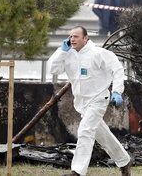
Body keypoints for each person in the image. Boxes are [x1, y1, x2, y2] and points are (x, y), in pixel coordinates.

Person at [49, 26, 131, 176]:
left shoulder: (99, 54)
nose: (72, 39)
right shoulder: (67, 55)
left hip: (98, 100)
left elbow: (117, 69)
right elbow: (53, 69)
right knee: (103, 135)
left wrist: (117, 91)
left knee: (85, 131)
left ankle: (77, 172)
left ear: (86, 38)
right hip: (81, 104)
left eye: (76, 36)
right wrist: (61, 51)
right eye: (70, 36)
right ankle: (124, 161)